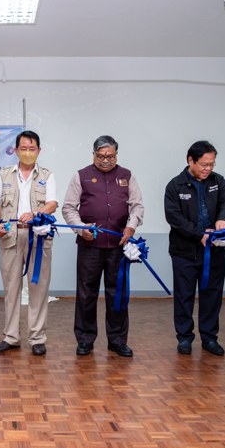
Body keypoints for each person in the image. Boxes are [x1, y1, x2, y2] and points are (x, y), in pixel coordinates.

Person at [62, 135, 144, 357]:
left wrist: (131, 227)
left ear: (117, 154)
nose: (106, 160)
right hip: (90, 246)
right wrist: (80, 228)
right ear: (94, 154)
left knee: (117, 293)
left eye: (111, 156)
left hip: (119, 245)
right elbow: (68, 208)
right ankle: (85, 339)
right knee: (86, 294)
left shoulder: (127, 176)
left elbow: (137, 206)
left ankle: (117, 340)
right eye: (101, 156)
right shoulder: (81, 176)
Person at [0, 130, 58, 356]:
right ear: (16, 150)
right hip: (11, 236)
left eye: (32, 148)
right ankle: (11, 337)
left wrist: (35, 212)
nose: (28, 153)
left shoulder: (48, 175)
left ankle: (37, 338)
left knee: (38, 288)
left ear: (39, 150)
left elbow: (52, 204)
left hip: (38, 237)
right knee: (11, 289)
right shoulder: (4, 175)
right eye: (23, 149)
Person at [164, 141, 225, 356]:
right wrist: (199, 234)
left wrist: (223, 219)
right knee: (184, 296)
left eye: (211, 164)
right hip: (184, 252)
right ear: (190, 161)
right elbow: (173, 217)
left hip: (214, 250)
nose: (208, 169)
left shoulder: (218, 181)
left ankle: (209, 338)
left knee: (212, 295)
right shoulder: (175, 185)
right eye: (204, 164)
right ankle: (185, 338)